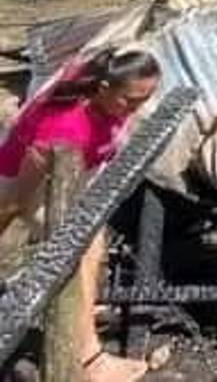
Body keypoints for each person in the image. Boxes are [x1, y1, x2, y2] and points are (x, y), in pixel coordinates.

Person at [0, 48, 161, 382]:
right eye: (131, 100)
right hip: (28, 183)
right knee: (81, 249)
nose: (136, 108)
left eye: (145, 99)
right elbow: (15, 197)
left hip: (70, 177)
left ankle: (79, 311)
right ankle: (88, 358)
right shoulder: (65, 129)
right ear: (103, 88)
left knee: (93, 240)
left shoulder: (103, 81)